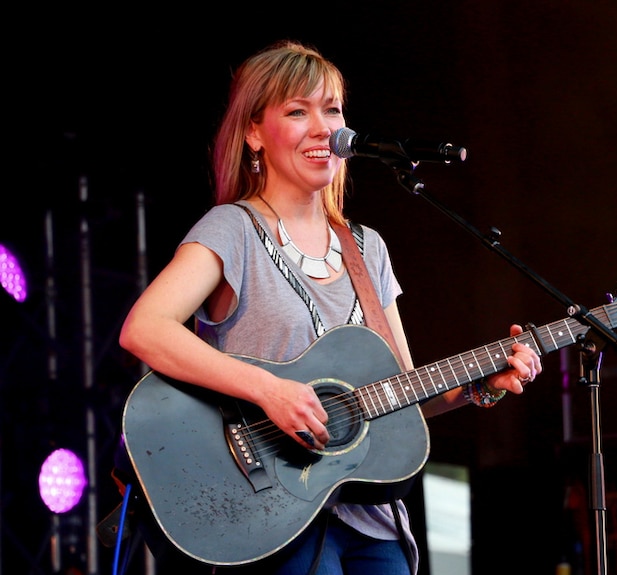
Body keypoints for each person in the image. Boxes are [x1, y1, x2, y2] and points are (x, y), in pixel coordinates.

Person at [117, 39, 542, 575]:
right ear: (254, 132)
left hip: (370, 521)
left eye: (332, 109)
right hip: (272, 512)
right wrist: (270, 391)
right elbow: (145, 329)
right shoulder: (234, 230)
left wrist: (482, 384)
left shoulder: (367, 249)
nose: (323, 127)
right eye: (297, 111)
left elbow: (401, 392)